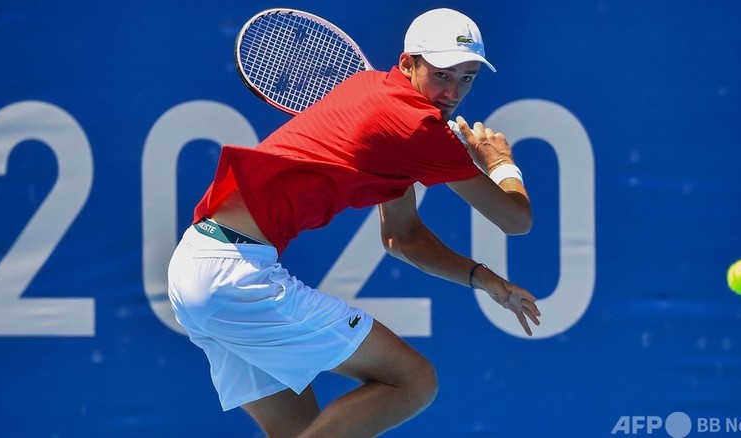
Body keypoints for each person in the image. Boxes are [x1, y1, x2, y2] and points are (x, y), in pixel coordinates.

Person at [167, 7, 541, 437]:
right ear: (407, 64)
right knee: (413, 382)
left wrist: (486, 280)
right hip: (235, 278)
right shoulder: (417, 129)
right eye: (442, 74)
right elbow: (516, 220)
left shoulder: (371, 91)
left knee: (301, 430)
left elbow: (402, 237)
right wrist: (500, 162)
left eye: (467, 77)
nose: (453, 92)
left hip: (195, 265)